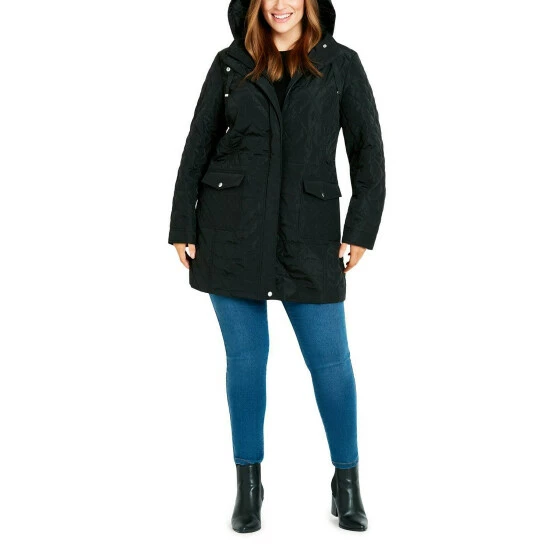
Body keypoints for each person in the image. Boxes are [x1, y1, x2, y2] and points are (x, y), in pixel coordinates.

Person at [167, 0, 385, 533]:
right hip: (231, 232)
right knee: (246, 362)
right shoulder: (229, 63)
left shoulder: (342, 64)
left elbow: (368, 153)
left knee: (331, 364)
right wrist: (181, 222)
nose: (280, 4)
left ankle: (347, 482)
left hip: (309, 237)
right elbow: (197, 144)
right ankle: (249, 485)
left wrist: (360, 229)